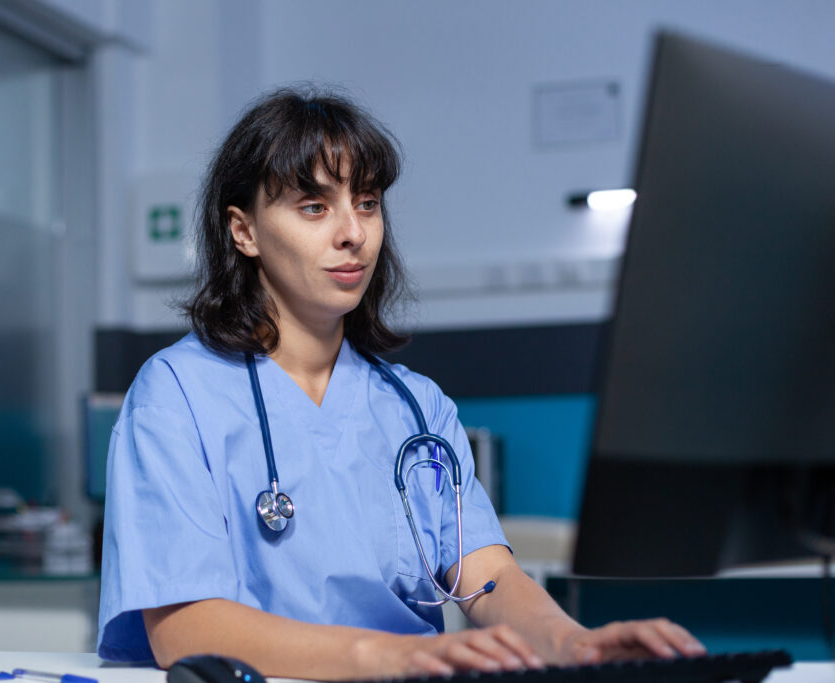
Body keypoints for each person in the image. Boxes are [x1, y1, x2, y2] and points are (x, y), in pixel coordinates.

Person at [97, 87, 705, 679]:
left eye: (366, 203)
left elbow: (490, 580)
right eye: (315, 207)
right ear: (244, 231)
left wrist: (575, 644)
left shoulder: (418, 407)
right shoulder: (177, 395)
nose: (353, 232)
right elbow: (185, 629)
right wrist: (390, 658)